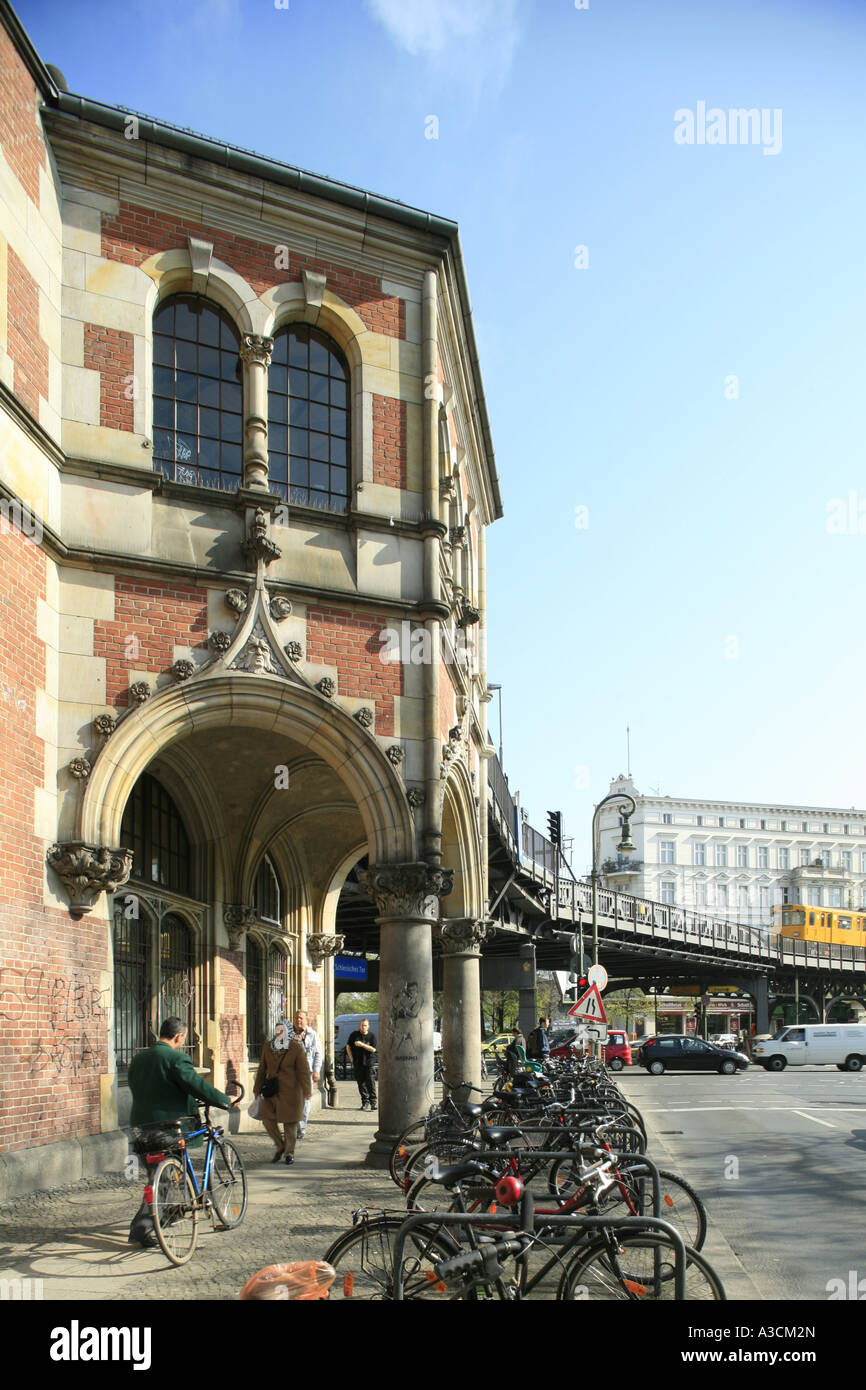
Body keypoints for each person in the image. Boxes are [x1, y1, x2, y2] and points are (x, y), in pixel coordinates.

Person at [127, 1016, 238, 1249]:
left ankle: (166, 1215)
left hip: (139, 1128)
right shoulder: (177, 1058)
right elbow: (196, 1085)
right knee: (165, 1178)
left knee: (157, 1176)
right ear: (179, 1037)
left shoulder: (139, 1058)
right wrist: (223, 1100)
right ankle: (143, 1225)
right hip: (168, 1128)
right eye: (184, 1039)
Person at [254, 1018, 312, 1166]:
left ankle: (289, 1153)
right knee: (267, 1120)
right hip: (272, 1091)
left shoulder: (296, 1048)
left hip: (291, 1092)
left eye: (282, 1030)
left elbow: (304, 1071)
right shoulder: (268, 1047)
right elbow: (262, 1069)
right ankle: (280, 1145)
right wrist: (257, 1088)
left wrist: (307, 1090)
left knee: (290, 1124)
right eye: (277, 1030)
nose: (279, 1033)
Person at [292, 1010, 323, 1140]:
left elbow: (318, 1054)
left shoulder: (312, 1034)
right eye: (296, 1018)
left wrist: (316, 1070)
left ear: (306, 1020)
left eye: (301, 1018)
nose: (298, 1020)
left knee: (305, 1101)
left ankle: (301, 1127)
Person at [346, 1017, 377, 1110]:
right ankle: (365, 1102)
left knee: (371, 1083)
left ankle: (373, 1103)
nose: (363, 1027)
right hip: (358, 1063)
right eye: (362, 1025)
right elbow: (348, 1046)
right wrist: (351, 1058)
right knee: (361, 1084)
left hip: (369, 1063)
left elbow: (373, 1049)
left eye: (365, 1025)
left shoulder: (372, 1036)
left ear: (368, 1027)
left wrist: (362, 1045)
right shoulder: (354, 1035)